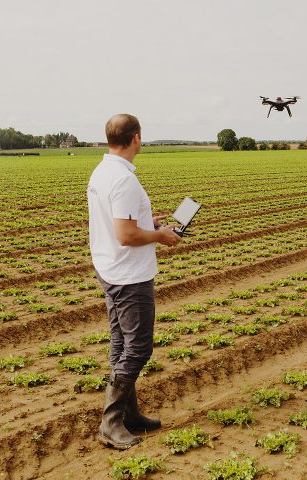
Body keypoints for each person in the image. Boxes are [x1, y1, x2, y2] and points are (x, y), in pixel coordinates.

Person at [87, 113, 182, 449]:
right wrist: (160, 235)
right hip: (129, 275)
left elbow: (120, 222)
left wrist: (147, 220)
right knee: (138, 349)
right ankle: (110, 423)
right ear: (136, 138)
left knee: (121, 344)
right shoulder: (124, 180)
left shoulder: (102, 170)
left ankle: (130, 415)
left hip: (109, 267)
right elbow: (126, 235)